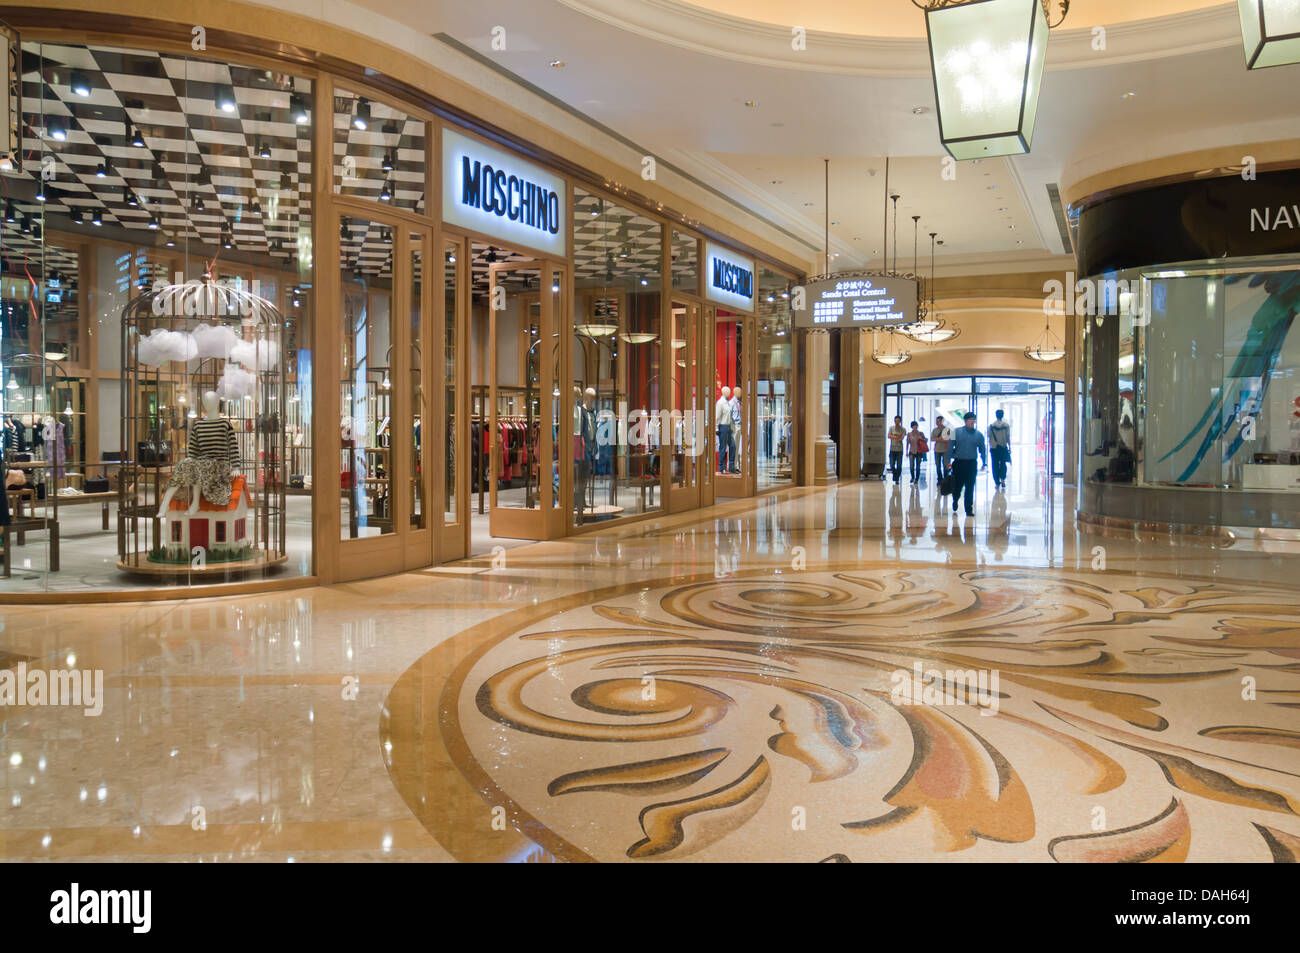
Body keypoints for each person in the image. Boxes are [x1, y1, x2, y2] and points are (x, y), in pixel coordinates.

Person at [945, 411, 987, 517]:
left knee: (970, 487)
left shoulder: (979, 435)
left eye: (973, 419)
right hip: (958, 463)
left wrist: (984, 462)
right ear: (965, 421)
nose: (972, 421)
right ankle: (955, 500)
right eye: (970, 419)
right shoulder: (955, 432)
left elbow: (982, 450)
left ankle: (969, 509)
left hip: (971, 464)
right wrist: (947, 462)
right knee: (957, 486)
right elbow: (949, 448)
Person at [988, 409, 1011, 489]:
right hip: (1003, 447)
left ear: (996, 415)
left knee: (995, 465)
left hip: (994, 448)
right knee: (1003, 464)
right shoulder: (1006, 425)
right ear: (1003, 415)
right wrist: (1009, 447)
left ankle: (997, 482)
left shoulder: (991, 426)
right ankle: (1003, 479)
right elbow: (1008, 437)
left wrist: (990, 446)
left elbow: (989, 438)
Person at [714, 386, 733, 474]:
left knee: (733, 446)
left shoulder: (727, 403)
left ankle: (731, 467)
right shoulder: (720, 403)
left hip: (729, 426)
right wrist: (716, 427)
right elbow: (717, 416)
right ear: (723, 392)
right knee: (723, 447)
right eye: (727, 392)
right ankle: (721, 468)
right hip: (723, 426)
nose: (729, 393)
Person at [930, 415, 951, 484]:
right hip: (937, 450)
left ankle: (945, 479)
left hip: (945, 450)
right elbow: (932, 439)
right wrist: (940, 439)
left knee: (945, 465)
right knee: (937, 465)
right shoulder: (934, 430)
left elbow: (950, 440)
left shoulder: (948, 429)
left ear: (942, 421)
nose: (937, 422)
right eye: (936, 421)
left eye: (938, 421)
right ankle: (939, 479)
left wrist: (941, 439)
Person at [728, 385, 743, 474]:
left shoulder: (739, 403)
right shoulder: (731, 403)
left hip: (739, 426)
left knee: (737, 447)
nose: (740, 394)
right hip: (734, 426)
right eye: (739, 392)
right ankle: (731, 466)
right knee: (733, 447)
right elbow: (729, 416)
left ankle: (736, 466)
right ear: (735, 393)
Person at [887, 415, 905, 483]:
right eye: (896, 421)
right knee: (891, 465)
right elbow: (888, 436)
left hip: (900, 450)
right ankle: (896, 476)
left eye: (898, 421)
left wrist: (893, 436)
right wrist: (897, 437)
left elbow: (901, 438)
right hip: (892, 449)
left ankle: (896, 478)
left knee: (899, 466)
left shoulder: (903, 429)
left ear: (900, 421)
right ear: (894, 421)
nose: (897, 422)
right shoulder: (891, 428)